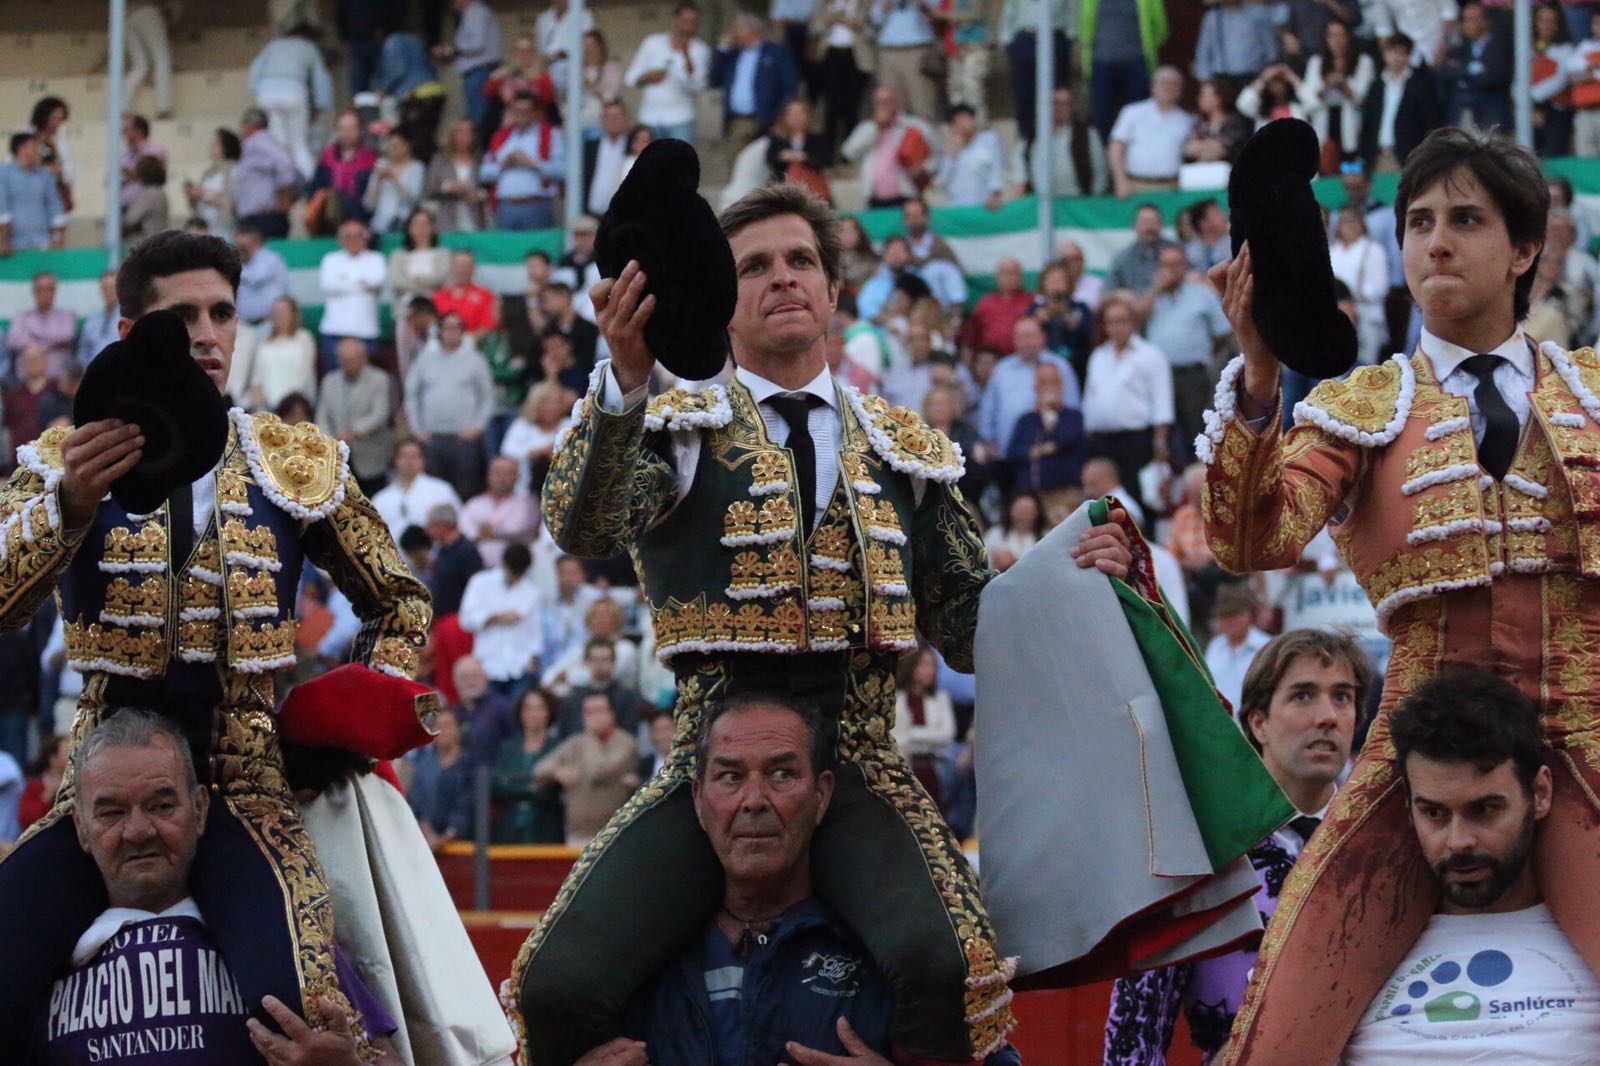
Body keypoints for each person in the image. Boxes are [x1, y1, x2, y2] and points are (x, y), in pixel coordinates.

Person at [513, 180, 1134, 1065]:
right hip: (709, 762)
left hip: (859, 762)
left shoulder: (903, 446)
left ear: (836, 290)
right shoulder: (675, 423)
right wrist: (625, 376)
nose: (784, 279)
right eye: (756, 266)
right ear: (724, 303)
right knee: (554, 987)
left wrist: (1074, 574)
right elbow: (582, 523)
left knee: (949, 962)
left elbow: (968, 623)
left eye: (801, 260)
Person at [1196, 126, 1600, 1065]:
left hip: (1587, 733)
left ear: (1527, 248)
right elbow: (1252, 540)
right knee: (1283, 1026)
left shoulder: (1593, 395)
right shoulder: (1360, 406)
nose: (1436, 243)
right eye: (1419, 222)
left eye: (1465, 219)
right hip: (1411, 755)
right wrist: (1260, 372)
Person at [0, 231, 429, 1048]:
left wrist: (341, 727)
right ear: (130, 334)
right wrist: (68, 511)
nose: (207, 333)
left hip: (249, 788)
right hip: (101, 789)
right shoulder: (64, 460)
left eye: (223, 312)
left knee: (300, 1022)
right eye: (182, 314)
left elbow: (400, 604)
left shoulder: (294, 460)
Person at [583, 691, 1020, 1064]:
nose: (754, 800)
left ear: (823, 794)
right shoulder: (636, 959)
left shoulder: (891, 950)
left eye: (781, 774)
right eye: (730, 777)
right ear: (698, 798)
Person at [29, 709, 403, 1063]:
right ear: (80, 826)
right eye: (112, 812)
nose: (139, 831)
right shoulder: (31, 964)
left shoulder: (291, 940)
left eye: (162, 806)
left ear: (200, 809)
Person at [1106, 629, 1373, 1064]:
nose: (1327, 715)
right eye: (1303, 696)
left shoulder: (1380, 843)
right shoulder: (1203, 851)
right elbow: (1136, 1032)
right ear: (1258, 723)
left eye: (1342, 697)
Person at [1342, 669, 1600, 1061]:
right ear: (1408, 810)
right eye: (1434, 813)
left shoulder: (1587, 946)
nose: (1459, 841)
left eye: (1485, 809)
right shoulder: (1345, 953)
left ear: (1540, 793)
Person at [1140, 243, 1231, 457]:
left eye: (1176, 264)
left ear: (1184, 266)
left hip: (1192, 374)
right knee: (1162, 433)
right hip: (1157, 375)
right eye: (1165, 264)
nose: (1171, 270)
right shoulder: (1153, 296)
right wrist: (1155, 290)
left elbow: (1222, 332)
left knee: (1194, 429)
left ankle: (1197, 474)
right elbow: (1137, 319)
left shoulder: (1201, 294)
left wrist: (1204, 350)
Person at [1081, 294, 1173, 495]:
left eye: (1122, 321)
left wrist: (1160, 444)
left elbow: (1162, 404)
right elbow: (1090, 398)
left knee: (1136, 495)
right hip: (1100, 441)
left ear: (1132, 323)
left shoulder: (1150, 355)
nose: (1116, 327)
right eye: (1111, 322)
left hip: (1135, 440)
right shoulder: (1098, 356)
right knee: (1102, 499)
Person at [405, 311, 494, 500]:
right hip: (431, 438)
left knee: (466, 491)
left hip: (464, 439)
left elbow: (487, 396)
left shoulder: (475, 360)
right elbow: (411, 395)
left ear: (463, 332)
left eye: (456, 328)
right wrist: (416, 429)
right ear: (439, 332)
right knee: (434, 493)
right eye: (447, 328)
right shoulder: (424, 360)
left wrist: (478, 427)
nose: (451, 333)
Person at [534, 689, 639, 847]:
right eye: (588, 712)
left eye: (599, 711)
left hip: (615, 833)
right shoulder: (575, 743)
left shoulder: (625, 743)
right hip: (577, 834)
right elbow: (538, 770)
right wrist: (557, 772)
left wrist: (591, 737)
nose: (593, 717)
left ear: (612, 714)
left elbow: (599, 771)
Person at [977, 316, 1077, 461]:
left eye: (1029, 336)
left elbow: (1072, 408)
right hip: (1006, 455)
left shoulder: (1060, 367)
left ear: (1042, 337)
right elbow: (989, 408)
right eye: (1020, 337)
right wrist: (987, 439)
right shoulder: (1002, 369)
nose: (1025, 342)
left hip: (1051, 456)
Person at [248, 23, 336, 180]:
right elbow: (321, 76)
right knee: (298, 144)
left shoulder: (273, 46)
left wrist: (255, 90)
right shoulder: (308, 47)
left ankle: (283, 181)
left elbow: (256, 68)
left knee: (278, 142)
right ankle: (309, 184)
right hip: (294, 93)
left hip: (266, 93)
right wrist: (323, 103)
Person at [316, 336, 396, 498]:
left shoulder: (379, 379)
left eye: (350, 360)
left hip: (370, 458)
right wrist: (329, 439)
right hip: (338, 459)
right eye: (342, 360)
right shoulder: (329, 381)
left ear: (363, 358)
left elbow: (380, 414)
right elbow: (322, 415)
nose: (345, 364)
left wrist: (354, 431)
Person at [712, 13, 801, 154]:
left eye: (737, 28)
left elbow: (790, 87)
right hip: (738, 122)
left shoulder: (776, 53)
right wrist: (721, 50)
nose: (733, 33)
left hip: (767, 122)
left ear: (752, 30)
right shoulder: (731, 55)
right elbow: (715, 80)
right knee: (738, 167)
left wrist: (781, 119)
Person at [460, 542, 544, 691]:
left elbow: (536, 631)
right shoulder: (480, 583)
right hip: (487, 665)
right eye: (512, 573)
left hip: (520, 666)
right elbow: (466, 620)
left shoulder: (531, 592)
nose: (515, 578)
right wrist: (496, 618)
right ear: (504, 565)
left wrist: (533, 658)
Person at [626, 1, 713, 144]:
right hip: (650, 118)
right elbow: (631, 79)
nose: (688, 26)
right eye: (685, 21)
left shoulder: (700, 50)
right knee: (650, 164)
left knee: (680, 165)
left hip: (681, 120)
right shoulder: (652, 43)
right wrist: (647, 77)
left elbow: (698, 86)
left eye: (693, 22)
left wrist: (686, 56)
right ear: (676, 20)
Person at [839, 85, 939, 210]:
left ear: (897, 103)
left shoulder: (914, 126)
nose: (883, 106)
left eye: (887, 101)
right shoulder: (867, 128)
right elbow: (849, 152)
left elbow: (938, 155)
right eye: (879, 102)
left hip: (906, 195)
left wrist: (924, 168)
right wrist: (877, 128)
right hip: (874, 198)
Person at [481, 92, 566, 230]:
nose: (520, 116)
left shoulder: (551, 134)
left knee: (537, 248)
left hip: (535, 204)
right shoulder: (501, 136)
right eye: (516, 111)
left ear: (535, 113)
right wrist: (503, 166)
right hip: (506, 206)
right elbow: (484, 173)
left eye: (525, 111)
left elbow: (563, 170)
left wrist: (534, 164)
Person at [1358, 33, 1441, 173]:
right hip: (1378, 154)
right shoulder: (1377, 85)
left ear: (1409, 56)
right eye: (1393, 52)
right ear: (1385, 54)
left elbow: (1429, 121)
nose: (1397, 58)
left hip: (1409, 154)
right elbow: (1368, 122)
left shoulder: (1420, 85)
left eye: (1402, 53)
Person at [1108, 66, 1194, 199]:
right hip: (1136, 186)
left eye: (1174, 83)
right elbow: (1116, 147)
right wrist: (1120, 180)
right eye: (1164, 82)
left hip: (1173, 187)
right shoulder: (1132, 112)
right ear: (1153, 87)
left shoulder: (1187, 120)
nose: (1169, 87)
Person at [492, 687, 564, 843]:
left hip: (546, 831)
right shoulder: (508, 748)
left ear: (548, 712)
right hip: (510, 831)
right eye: (529, 708)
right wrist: (533, 784)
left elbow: (549, 792)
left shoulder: (558, 748)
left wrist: (515, 784)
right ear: (521, 713)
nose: (533, 714)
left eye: (539, 708)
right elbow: (497, 785)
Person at [1300, 19, 1373, 171]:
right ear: (1326, 39)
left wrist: (1343, 85)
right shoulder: (1316, 63)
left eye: (1341, 35)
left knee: (1351, 169)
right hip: (1325, 124)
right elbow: (1308, 101)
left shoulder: (1363, 62)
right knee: (1328, 171)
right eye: (1333, 36)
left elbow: (1364, 99)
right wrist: (1327, 86)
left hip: (1352, 125)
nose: (1337, 41)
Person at [1006, 360, 1085, 497]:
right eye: (1043, 382)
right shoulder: (1026, 420)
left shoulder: (1073, 417)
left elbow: (1065, 441)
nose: (1049, 387)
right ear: (1035, 387)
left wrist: (1049, 418)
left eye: (1054, 382)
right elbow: (1013, 453)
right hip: (1031, 496)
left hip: (1064, 493)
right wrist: (1041, 450)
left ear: (1061, 386)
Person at [317, 218, 385, 373]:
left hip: (366, 332)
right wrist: (362, 285)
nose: (353, 240)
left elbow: (377, 282)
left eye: (358, 235)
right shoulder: (330, 259)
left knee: (367, 383)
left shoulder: (376, 259)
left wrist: (344, 282)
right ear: (341, 239)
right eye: (348, 236)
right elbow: (328, 286)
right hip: (334, 331)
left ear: (365, 237)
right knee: (334, 382)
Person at [1328, 204, 1392, 364]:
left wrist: (1354, 297)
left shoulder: (1373, 250)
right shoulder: (1333, 251)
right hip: (1337, 318)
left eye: (1353, 221)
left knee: (1365, 367)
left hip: (1366, 317)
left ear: (1361, 224)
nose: (1349, 226)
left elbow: (1381, 286)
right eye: (1344, 221)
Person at [371, 437, 465, 542]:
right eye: (404, 456)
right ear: (395, 460)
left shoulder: (441, 490)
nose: (409, 461)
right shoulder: (380, 498)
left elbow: (460, 524)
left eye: (414, 456)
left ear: (423, 460)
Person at [1438, 1, 1513, 132]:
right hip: (1460, 119)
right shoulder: (1459, 50)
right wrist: (1472, 70)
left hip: (1490, 119)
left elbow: (1494, 77)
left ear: (1486, 21)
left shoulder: (1500, 47)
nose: (1466, 24)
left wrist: (1461, 73)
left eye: (1471, 19)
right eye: (1465, 19)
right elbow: (1445, 74)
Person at [407, 707, 475, 849]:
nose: (444, 732)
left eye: (448, 726)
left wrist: (443, 839)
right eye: (438, 727)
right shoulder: (423, 765)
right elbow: (416, 804)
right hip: (426, 843)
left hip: (463, 846)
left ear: (458, 729)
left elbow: (466, 807)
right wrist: (429, 836)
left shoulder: (470, 766)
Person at [435, 0, 503, 133]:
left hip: (480, 72)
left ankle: (478, 150)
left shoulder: (475, 11)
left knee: (477, 119)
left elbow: (476, 43)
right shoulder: (474, 11)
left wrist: (451, 49)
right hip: (478, 71)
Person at [462, 456, 540, 569]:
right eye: (497, 472)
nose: (501, 477)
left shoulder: (527, 503)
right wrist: (488, 532)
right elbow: (464, 530)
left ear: (517, 477)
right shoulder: (475, 503)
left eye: (508, 473)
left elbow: (518, 528)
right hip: (475, 569)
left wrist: (490, 531)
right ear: (488, 475)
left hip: (514, 571)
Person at [234, 108, 302, 238]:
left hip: (264, 217)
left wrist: (283, 195)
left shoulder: (257, 142)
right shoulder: (267, 142)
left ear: (249, 125)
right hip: (260, 217)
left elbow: (285, 163)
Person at [1030, 86, 1108, 198]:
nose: (1059, 108)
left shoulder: (1087, 134)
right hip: (1042, 206)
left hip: (1078, 205)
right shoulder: (1032, 136)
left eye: (1065, 103)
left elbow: (1100, 173)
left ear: (1071, 107)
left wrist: (1092, 201)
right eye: (1055, 103)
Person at [868, 0, 940, 121]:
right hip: (888, 51)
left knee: (921, 104)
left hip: (917, 50)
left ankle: (922, 138)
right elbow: (875, 18)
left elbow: (936, 13)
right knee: (890, 105)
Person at [0, 132, 68, 254]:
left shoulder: (45, 176)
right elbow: (2, 210)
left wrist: (58, 237)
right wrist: (3, 241)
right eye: (35, 147)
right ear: (23, 149)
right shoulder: (3, 174)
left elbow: (55, 206)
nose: (39, 152)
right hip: (12, 247)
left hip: (44, 243)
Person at [501, 381, 574, 493]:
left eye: (557, 402)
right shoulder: (523, 425)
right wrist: (538, 452)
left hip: (562, 487)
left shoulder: (570, 425)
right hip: (523, 487)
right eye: (547, 402)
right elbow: (508, 452)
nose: (553, 407)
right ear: (536, 404)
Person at [249, 296, 319, 411]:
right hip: (267, 407)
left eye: (283, 312)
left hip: (294, 405)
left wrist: (289, 406)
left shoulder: (304, 338)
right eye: (276, 312)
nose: (279, 316)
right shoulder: (264, 345)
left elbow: (304, 376)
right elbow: (256, 380)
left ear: (293, 315)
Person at [7, 271, 78, 382]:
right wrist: (50, 344)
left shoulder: (67, 316)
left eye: (49, 289)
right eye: (40, 289)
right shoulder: (22, 317)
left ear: (55, 292)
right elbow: (14, 341)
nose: (44, 293)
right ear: (34, 292)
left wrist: (34, 338)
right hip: (24, 383)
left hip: (57, 381)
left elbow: (66, 336)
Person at [1192, 0, 1278, 86]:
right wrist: (1205, 81)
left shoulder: (1258, 15)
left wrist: (1268, 76)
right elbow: (1203, 53)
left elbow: (1270, 49)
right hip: (1222, 79)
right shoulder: (1213, 18)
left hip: (1252, 79)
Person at [424, 502, 485, 618]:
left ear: (443, 526)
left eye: (431, 526)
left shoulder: (467, 551)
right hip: (442, 618)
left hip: (458, 617)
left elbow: (476, 585)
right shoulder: (442, 550)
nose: (427, 531)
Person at [426, 118, 486, 231]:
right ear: (452, 135)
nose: (464, 137)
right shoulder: (440, 159)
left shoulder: (480, 159)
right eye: (460, 132)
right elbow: (430, 187)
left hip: (474, 217)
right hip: (447, 218)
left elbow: (487, 187)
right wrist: (449, 187)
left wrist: (479, 195)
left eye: (468, 132)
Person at [363, 130, 425, 234]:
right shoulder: (380, 165)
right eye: (390, 145)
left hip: (405, 226)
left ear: (407, 145)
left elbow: (413, 200)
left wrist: (393, 179)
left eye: (397, 145)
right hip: (379, 225)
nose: (393, 149)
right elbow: (368, 204)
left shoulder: (417, 168)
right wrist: (378, 181)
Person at [184, 128, 242, 239]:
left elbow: (232, 201)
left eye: (216, 142)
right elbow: (197, 205)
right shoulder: (208, 173)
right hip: (204, 227)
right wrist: (193, 194)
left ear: (226, 146)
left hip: (224, 228)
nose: (211, 145)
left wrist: (204, 194)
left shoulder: (235, 170)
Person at [234, 222, 291, 332]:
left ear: (252, 238)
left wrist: (229, 268)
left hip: (268, 324)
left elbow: (256, 277)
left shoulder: (270, 258)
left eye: (240, 236)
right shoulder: (246, 263)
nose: (237, 241)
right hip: (246, 325)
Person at [123, 0, 174, 119]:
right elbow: (174, 5)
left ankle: (120, 106)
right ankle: (163, 107)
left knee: (140, 65)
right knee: (162, 59)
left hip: (125, 15)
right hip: (147, 11)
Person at [77, 271, 122, 371]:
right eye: (105, 288)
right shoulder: (91, 322)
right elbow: (83, 353)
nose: (109, 292)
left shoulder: (130, 320)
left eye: (112, 287)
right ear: (101, 290)